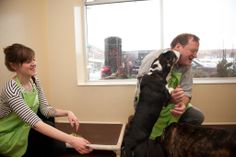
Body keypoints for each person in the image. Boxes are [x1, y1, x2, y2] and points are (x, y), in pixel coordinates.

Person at [0, 43, 93, 157]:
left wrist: (67, 112)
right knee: (53, 143)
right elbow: (35, 123)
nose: (34, 63)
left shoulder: (34, 80)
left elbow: (45, 110)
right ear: (14, 65)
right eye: (28, 61)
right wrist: (71, 140)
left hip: (24, 127)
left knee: (52, 131)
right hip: (9, 135)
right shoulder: (11, 89)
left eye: (34, 59)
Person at [126, 33, 205, 157]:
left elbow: (187, 92)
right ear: (178, 47)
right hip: (151, 103)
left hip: (172, 103)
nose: (195, 55)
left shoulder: (186, 66)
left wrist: (182, 105)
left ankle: (174, 141)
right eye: (193, 51)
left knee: (197, 116)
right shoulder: (154, 58)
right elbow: (146, 91)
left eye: (196, 52)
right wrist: (167, 100)